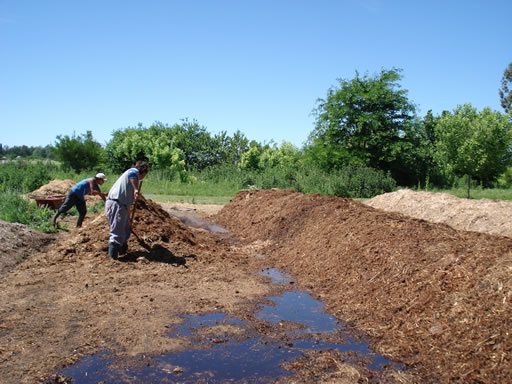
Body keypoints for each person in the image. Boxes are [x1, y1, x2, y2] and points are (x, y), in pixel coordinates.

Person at [105, 160, 149, 260]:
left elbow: (128, 205)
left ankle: (122, 250)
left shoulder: (129, 184)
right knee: (117, 231)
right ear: (143, 171)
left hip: (122, 205)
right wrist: (136, 189)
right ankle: (112, 258)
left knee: (125, 230)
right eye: (144, 175)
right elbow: (132, 174)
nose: (143, 177)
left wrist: (128, 219)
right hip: (116, 203)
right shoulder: (133, 172)